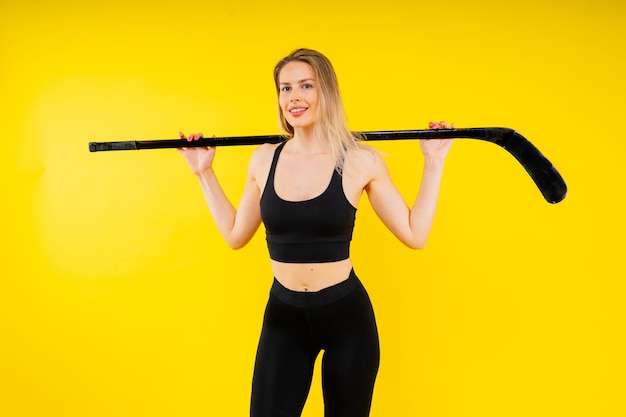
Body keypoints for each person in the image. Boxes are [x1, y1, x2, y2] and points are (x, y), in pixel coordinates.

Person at [178, 48, 454, 417]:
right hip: (284, 317)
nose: (294, 97)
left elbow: (414, 234)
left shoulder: (359, 161)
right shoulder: (264, 159)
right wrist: (203, 172)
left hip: (347, 318)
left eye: (306, 86)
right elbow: (234, 235)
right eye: (285, 88)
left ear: (326, 92)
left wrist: (434, 161)